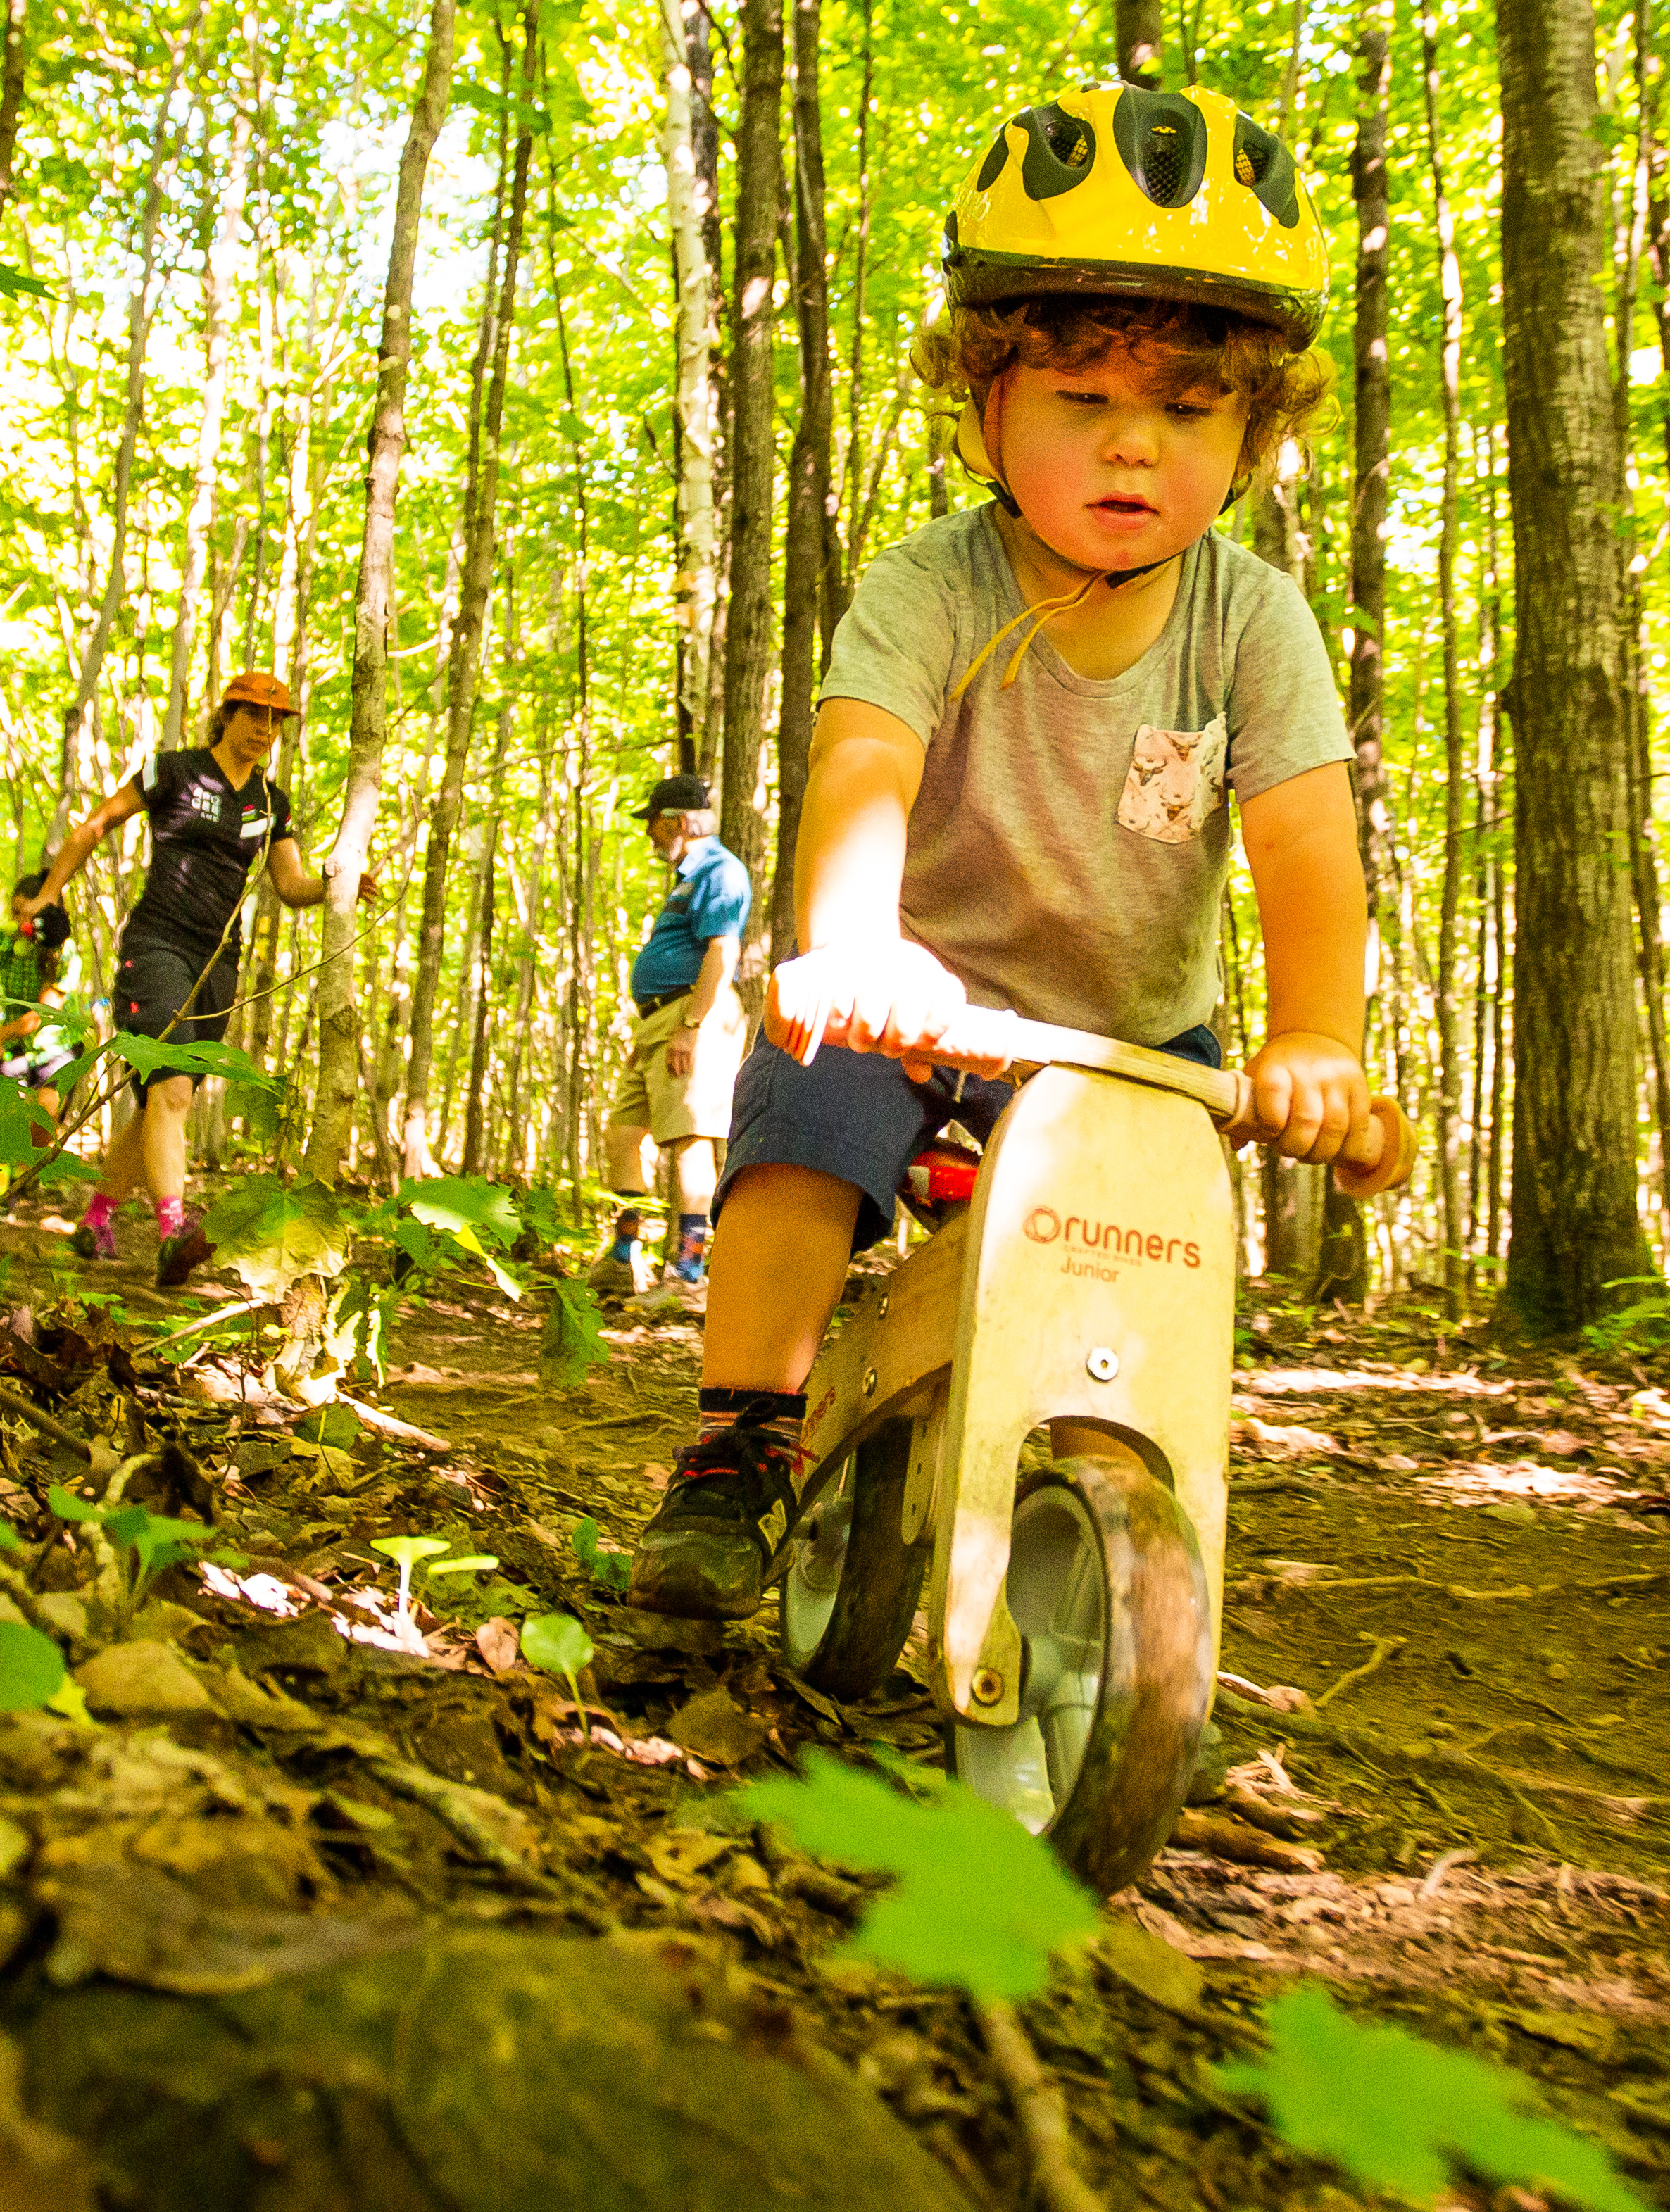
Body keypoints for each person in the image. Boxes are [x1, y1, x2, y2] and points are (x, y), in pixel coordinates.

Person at [628, 83, 1362, 1618]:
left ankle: (1098, 1489)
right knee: (801, 1111)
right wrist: (853, 941)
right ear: (982, 404)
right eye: (1080, 400)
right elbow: (862, 760)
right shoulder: (930, 587)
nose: (1132, 449)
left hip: (1126, 1034)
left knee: (1142, 1271)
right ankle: (736, 1443)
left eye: (1184, 409)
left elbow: (1302, 840)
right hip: (923, 1001)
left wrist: (1316, 1039)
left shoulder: (1251, 620)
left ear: (1254, 431)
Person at [13, 670, 372, 1288]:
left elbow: (289, 886)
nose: (264, 730)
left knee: (160, 1101)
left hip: (218, 963)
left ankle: (96, 1218)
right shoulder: (172, 771)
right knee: (173, 1090)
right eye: (254, 716)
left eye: (276, 720)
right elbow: (94, 826)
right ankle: (172, 1231)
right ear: (227, 715)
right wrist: (47, 895)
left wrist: (338, 885)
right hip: (156, 946)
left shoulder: (269, 802)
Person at [594, 772, 751, 1299]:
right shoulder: (690, 875)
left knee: (689, 1142)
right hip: (659, 1023)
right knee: (622, 1134)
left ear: (679, 822)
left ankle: (688, 1275)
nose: (650, 837)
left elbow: (721, 952)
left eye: (655, 826)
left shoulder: (720, 871)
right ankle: (623, 1258)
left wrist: (691, 1026)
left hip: (691, 1018)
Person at [0, 871, 80, 1135]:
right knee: (0, 1131)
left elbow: (40, 1016)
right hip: (11, 1049)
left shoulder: (65, 954)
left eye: (28, 915)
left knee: (41, 1128)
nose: (21, 922)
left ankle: (31, 1176)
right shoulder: (3, 940)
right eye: (16, 913)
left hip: (55, 1051)